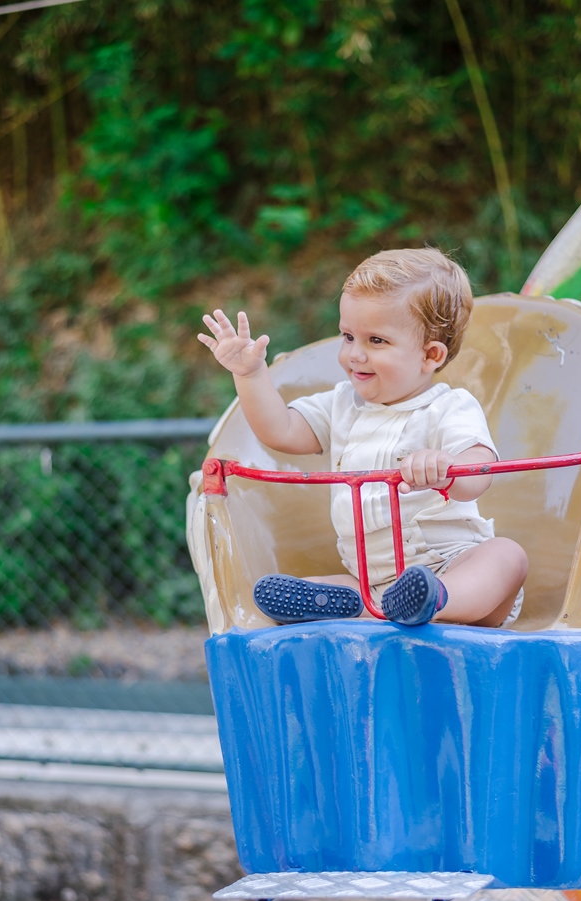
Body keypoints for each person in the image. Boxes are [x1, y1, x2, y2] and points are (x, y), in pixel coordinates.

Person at [197, 248, 528, 627]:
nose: (354, 354)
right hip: (376, 583)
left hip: (454, 566)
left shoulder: (449, 407)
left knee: (506, 556)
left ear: (430, 355)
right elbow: (280, 431)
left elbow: (479, 473)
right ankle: (368, 604)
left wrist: (446, 468)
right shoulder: (342, 405)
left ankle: (435, 599)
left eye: (376, 341)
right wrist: (250, 374)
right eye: (348, 336)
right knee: (323, 588)